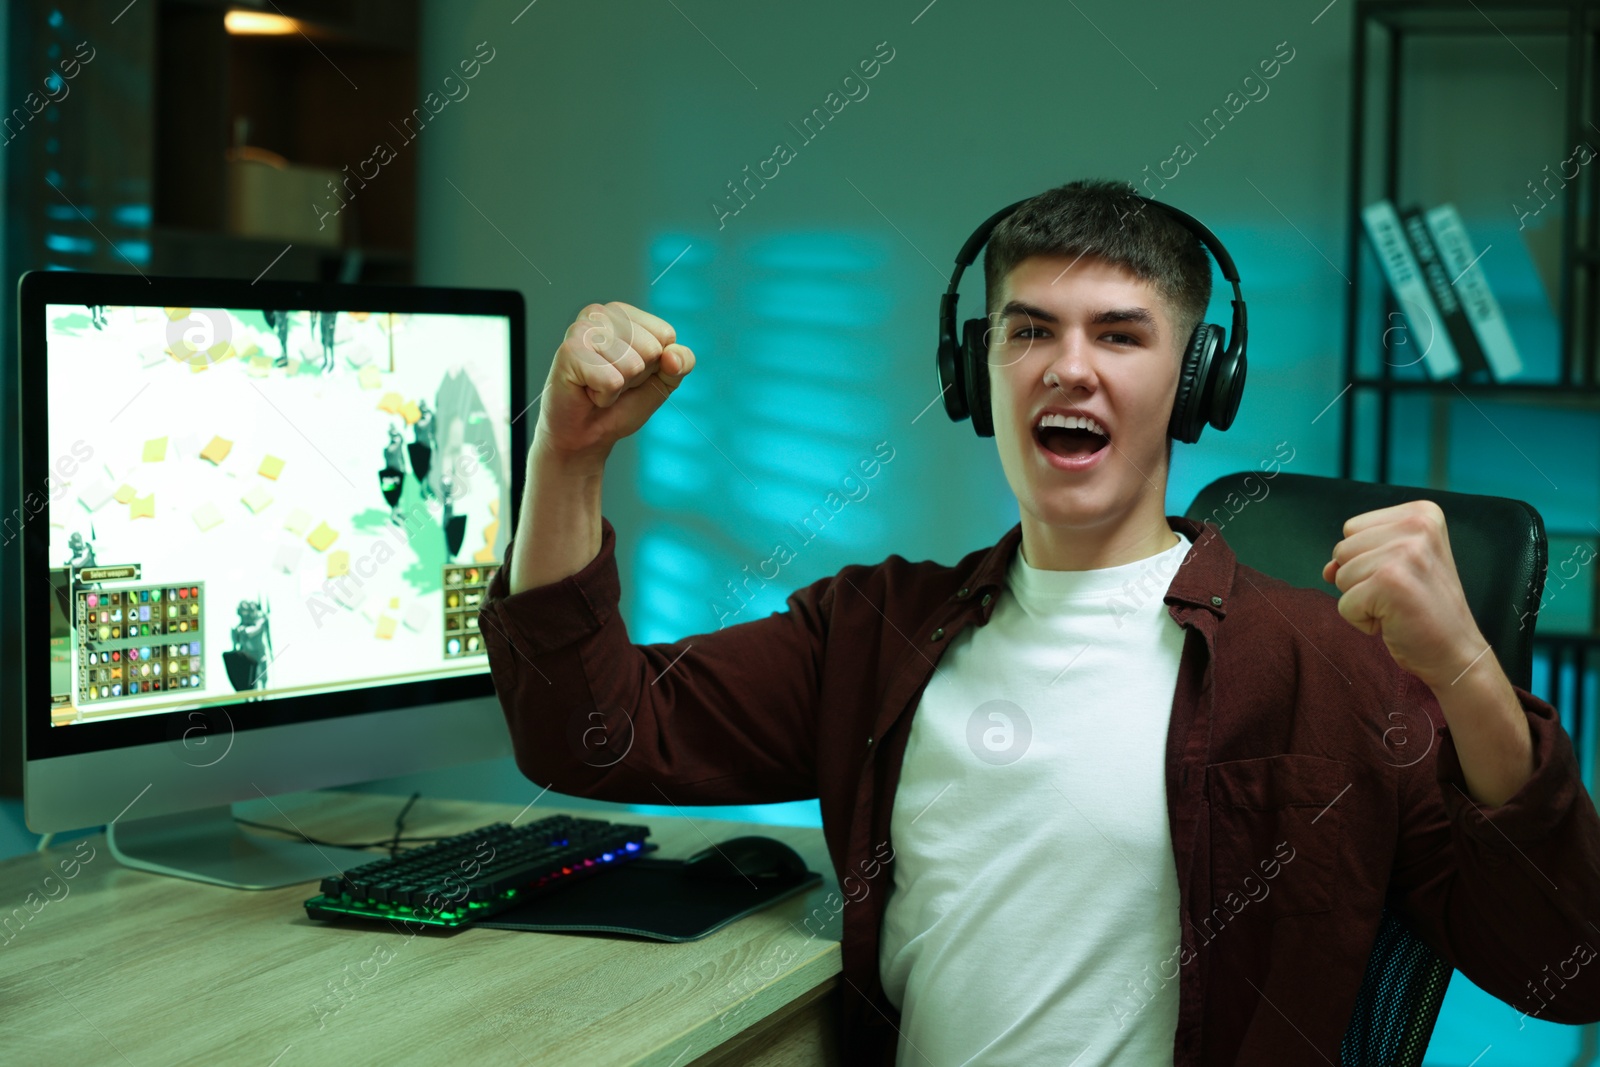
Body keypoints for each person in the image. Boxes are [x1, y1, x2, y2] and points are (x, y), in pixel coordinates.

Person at [477, 179, 1600, 1065]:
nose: (1070, 368)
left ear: (1199, 378)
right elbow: (588, 729)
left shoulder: (1324, 664)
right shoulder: (874, 628)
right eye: (1029, 331)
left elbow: (1568, 960)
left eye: (1120, 334)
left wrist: (1463, 670)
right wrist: (569, 454)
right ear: (977, 370)